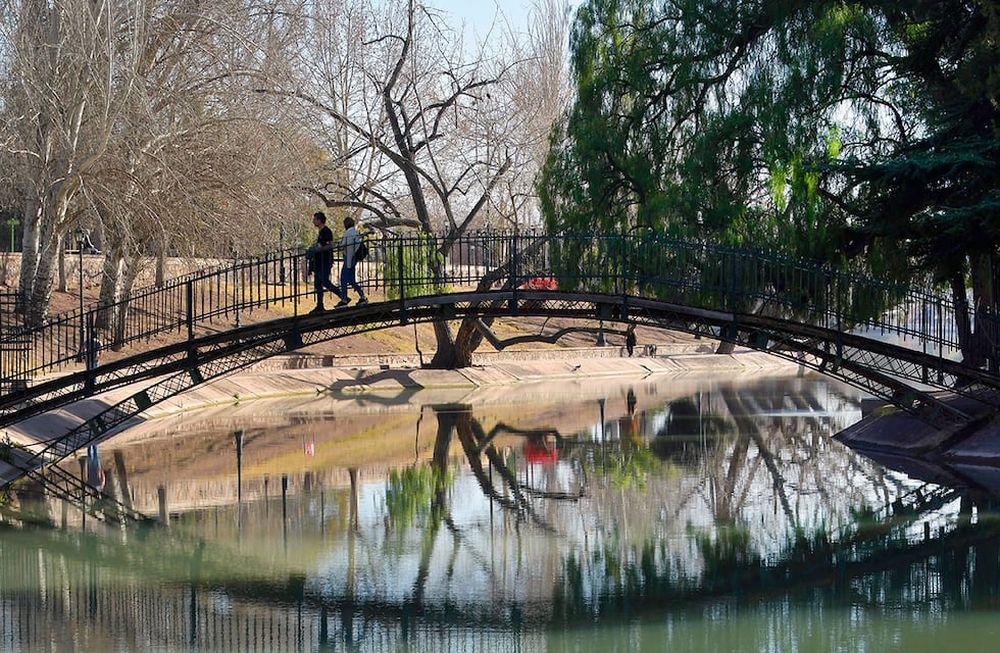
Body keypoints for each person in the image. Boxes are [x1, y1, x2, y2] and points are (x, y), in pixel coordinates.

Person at [310, 211, 341, 313]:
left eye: (315, 219)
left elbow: (331, 245)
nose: (313, 221)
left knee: (325, 281)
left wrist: (320, 249)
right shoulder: (320, 232)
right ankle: (320, 305)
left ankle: (343, 296)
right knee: (318, 284)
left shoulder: (326, 231)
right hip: (319, 261)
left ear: (319, 220)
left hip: (325, 260)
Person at [336, 216, 368, 307]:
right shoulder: (355, 232)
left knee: (343, 279)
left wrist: (349, 264)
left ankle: (344, 299)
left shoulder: (348, 234)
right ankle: (362, 296)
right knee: (352, 281)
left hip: (349, 259)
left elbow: (348, 248)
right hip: (353, 259)